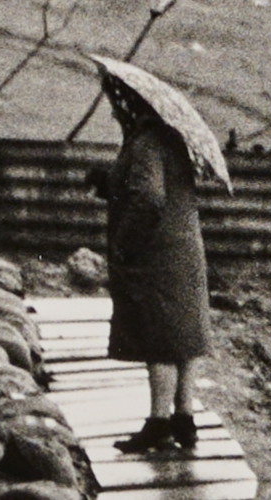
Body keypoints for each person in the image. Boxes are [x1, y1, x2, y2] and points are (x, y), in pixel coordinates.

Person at [88, 79, 211, 453]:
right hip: (185, 251)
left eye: (118, 103)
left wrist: (124, 242)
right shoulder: (174, 140)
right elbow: (162, 188)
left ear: (134, 106)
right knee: (184, 338)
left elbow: (149, 198)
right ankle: (184, 419)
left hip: (157, 254)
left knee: (159, 339)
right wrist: (108, 182)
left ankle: (158, 423)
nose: (113, 110)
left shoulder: (145, 144)